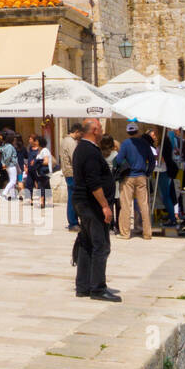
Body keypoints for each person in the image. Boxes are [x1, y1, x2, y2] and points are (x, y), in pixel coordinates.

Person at [71, 118, 118, 302]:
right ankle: (98, 288)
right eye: (100, 128)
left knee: (86, 244)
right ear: (94, 130)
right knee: (101, 245)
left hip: (83, 202)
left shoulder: (82, 148)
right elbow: (93, 182)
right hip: (92, 205)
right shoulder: (89, 151)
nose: (102, 132)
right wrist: (105, 206)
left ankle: (83, 287)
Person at [115, 122, 152, 240]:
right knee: (144, 205)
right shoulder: (145, 143)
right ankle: (147, 233)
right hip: (141, 175)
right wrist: (148, 172)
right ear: (137, 131)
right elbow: (152, 160)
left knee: (126, 205)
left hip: (128, 177)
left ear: (127, 132)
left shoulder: (125, 143)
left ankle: (125, 233)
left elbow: (119, 160)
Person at [60, 123, 80, 231]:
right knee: (73, 198)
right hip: (72, 173)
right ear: (76, 131)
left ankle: (73, 221)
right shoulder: (71, 142)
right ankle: (73, 222)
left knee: (72, 197)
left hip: (67, 173)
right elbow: (75, 158)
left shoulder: (64, 140)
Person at [26, 134, 52, 208]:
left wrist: (36, 162)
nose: (35, 142)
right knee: (46, 186)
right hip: (41, 172)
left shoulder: (44, 150)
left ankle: (42, 202)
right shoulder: (40, 151)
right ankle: (49, 202)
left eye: (37, 141)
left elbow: (46, 161)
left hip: (44, 172)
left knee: (41, 186)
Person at [0, 132, 19, 200]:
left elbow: (2, 156)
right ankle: (4, 192)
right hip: (11, 165)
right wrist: (6, 164)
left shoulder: (3, 146)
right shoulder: (9, 146)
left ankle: (12, 195)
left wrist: (3, 164)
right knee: (13, 181)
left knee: (11, 180)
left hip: (7, 165)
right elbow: (8, 156)